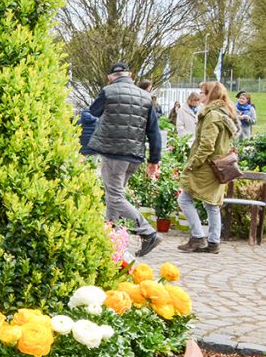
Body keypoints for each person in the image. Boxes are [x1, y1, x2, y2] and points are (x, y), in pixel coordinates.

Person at [87, 62, 163, 257]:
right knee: (114, 197)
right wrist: (154, 160)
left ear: (111, 76)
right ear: (130, 75)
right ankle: (110, 239)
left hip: (114, 154)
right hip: (134, 157)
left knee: (115, 197)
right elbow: (154, 131)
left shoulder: (108, 91)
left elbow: (93, 111)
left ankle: (148, 233)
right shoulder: (145, 96)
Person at [177, 81, 240, 254]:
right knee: (211, 205)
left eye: (203, 93)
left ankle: (198, 237)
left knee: (184, 199)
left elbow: (207, 145)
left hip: (207, 166)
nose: (200, 96)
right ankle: (213, 242)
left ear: (210, 95)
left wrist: (192, 163)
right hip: (219, 166)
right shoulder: (225, 113)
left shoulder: (212, 115)